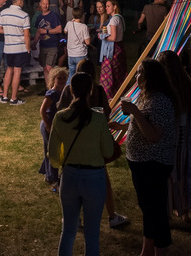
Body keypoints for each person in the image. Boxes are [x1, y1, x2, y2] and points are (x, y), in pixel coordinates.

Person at [48, 72, 116, 256]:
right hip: (94, 178)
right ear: (90, 91)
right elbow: (108, 151)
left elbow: (53, 156)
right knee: (92, 235)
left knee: (68, 231)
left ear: (71, 90)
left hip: (69, 176)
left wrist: (65, 161)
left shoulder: (60, 117)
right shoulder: (98, 119)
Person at [57, 59, 128, 229]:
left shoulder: (69, 90)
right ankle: (111, 216)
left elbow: (61, 112)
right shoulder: (98, 91)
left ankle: (75, 219)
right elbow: (106, 114)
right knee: (102, 178)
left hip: (73, 143)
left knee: (73, 181)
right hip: (94, 142)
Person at [117, 59, 178, 256]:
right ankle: (146, 251)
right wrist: (121, 126)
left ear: (150, 76)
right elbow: (142, 124)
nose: (136, 76)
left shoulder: (160, 101)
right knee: (148, 208)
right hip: (141, 162)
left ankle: (160, 251)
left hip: (153, 163)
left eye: (139, 72)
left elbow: (153, 136)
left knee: (155, 211)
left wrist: (134, 111)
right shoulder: (146, 96)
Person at [158, 50, 191, 222]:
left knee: (170, 174)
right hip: (183, 137)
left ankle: (170, 209)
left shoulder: (165, 87)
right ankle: (183, 210)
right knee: (182, 173)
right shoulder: (185, 85)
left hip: (169, 136)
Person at [0, 0, 32, 105]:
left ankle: (4, 96)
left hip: (8, 47)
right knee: (17, 71)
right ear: (20, 1)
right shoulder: (24, 15)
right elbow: (26, 34)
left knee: (9, 69)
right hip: (20, 47)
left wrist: (9, 31)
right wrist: (28, 48)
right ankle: (14, 98)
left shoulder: (3, 13)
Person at [39, 66, 68, 192]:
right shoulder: (52, 94)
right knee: (52, 151)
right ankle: (52, 178)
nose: (61, 80)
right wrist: (48, 125)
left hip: (57, 126)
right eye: (59, 78)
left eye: (64, 78)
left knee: (52, 149)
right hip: (49, 125)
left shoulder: (64, 92)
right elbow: (42, 110)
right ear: (53, 80)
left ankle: (47, 173)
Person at [99, 0, 126, 99]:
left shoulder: (114, 20)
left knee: (110, 73)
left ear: (114, 7)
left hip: (112, 49)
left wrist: (102, 36)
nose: (106, 8)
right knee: (118, 73)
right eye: (106, 6)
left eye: (108, 6)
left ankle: (109, 95)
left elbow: (113, 37)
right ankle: (119, 93)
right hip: (119, 47)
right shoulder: (120, 18)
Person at [33, 0, 63, 86]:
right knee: (45, 68)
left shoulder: (53, 16)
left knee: (49, 67)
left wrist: (47, 31)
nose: (45, 6)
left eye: (47, 4)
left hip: (52, 45)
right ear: (40, 4)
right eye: (43, 3)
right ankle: (48, 88)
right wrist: (34, 43)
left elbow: (59, 29)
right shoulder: (39, 17)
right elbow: (39, 31)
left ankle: (55, 86)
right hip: (43, 46)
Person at [64, 7, 91, 79]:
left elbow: (65, 31)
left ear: (73, 15)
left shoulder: (69, 24)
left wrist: (71, 21)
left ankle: (68, 86)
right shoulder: (84, 27)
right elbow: (88, 42)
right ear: (82, 16)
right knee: (82, 75)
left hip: (71, 54)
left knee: (71, 75)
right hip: (81, 54)